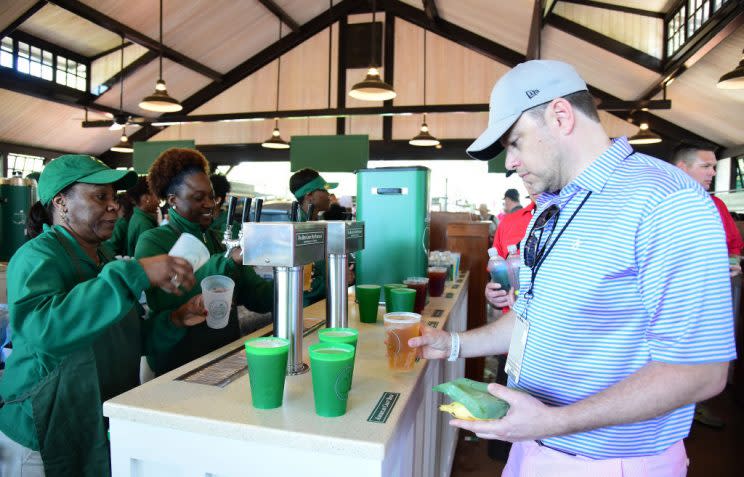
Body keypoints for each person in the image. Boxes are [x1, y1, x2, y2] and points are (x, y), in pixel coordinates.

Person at [410, 60, 735, 476]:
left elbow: (700, 372)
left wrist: (556, 420)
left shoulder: (665, 201)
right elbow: (534, 319)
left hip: (610, 462)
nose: (510, 162)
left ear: (560, 116)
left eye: (515, 143)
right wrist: (453, 344)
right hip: (535, 445)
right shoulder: (555, 207)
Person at [0, 154, 202, 477]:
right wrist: (133, 272)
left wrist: (174, 320)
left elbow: (127, 338)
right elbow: (47, 331)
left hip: (95, 426)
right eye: (100, 196)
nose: (115, 207)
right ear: (61, 203)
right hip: (41, 437)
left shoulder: (103, 257)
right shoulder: (36, 256)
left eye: (114, 197)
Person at [135, 148, 274, 375]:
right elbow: (166, 298)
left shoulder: (217, 239)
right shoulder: (154, 241)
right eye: (199, 198)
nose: (210, 204)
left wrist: (291, 279)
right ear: (173, 201)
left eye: (211, 196)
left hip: (223, 354)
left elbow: (255, 295)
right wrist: (228, 260)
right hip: (177, 362)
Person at [672, 144, 743, 277]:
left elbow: (734, 245)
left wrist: (732, 263)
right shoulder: (658, 204)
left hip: (714, 283)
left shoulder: (717, 205)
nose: (713, 172)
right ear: (682, 168)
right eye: (706, 166)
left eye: (713, 167)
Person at [289, 168, 337, 306]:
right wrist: (338, 278)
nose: (330, 194)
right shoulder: (300, 231)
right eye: (324, 190)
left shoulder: (315, 225)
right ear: (309, 195)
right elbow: (304, 285)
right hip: (304, 311)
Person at [125, 176, 159, 257]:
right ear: (147, 198)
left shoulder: (137, 217)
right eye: (156, 195)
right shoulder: (144, 224)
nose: (159, 200)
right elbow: (148, 257)